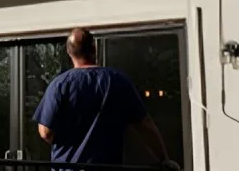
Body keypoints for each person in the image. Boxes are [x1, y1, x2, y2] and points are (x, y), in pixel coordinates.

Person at [32, 28, 176, 169]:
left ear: (69, 53)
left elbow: (45, 132)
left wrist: (70, 146)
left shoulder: (59, 84)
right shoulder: (117, 80)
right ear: (94, 49)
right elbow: (144, 125)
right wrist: (164, 159)